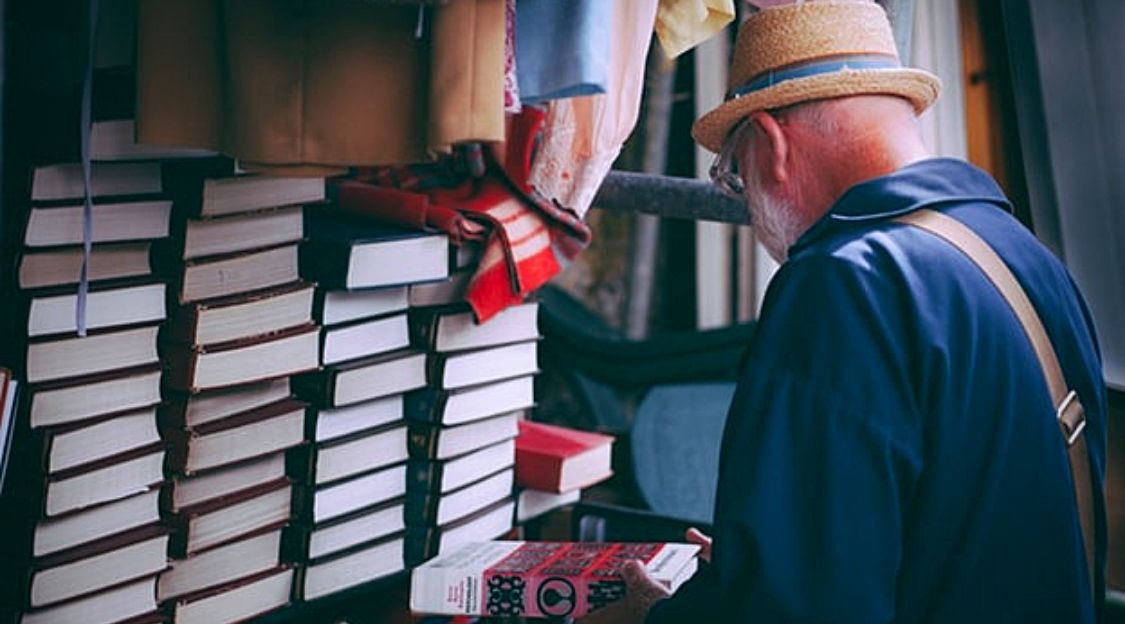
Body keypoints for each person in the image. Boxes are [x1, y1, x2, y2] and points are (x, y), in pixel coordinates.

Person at [581, 1, 1107, 622]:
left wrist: (651, 616)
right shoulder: (1028, 259)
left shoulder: (843, 285)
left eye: (734, 175)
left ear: (772, 145)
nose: (746, 208)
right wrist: (772, 558)